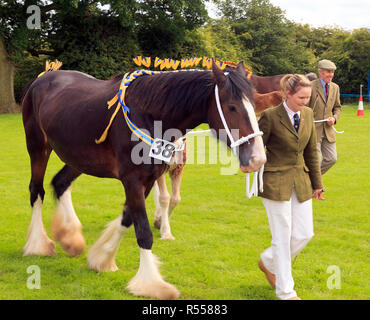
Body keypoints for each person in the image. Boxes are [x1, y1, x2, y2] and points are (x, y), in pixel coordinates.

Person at [257, 74, 324, 300]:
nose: (305, 102)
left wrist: (317, 184)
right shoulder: (269, 117)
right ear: (288, 94)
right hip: (275, 182)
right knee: (282, 238)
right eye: (301, 98)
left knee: (305, 234)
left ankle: (267, 261)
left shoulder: (308, 114)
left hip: (301, 181)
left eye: (308, 98)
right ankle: (286, 292)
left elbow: (311, 152)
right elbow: (254, 148)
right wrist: (247, 165)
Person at [307, 59, 342, 175]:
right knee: (315, 162)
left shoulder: (335, 87)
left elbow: (337, 107)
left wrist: (335, 118)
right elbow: (303, 108)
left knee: (332, 159)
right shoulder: (310, 86)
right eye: (328, 72)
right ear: (320, 72)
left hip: (328, 130)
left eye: (332, 72)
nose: (331, 75)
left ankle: (309, 180)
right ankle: (314, 187)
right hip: (312, 130)